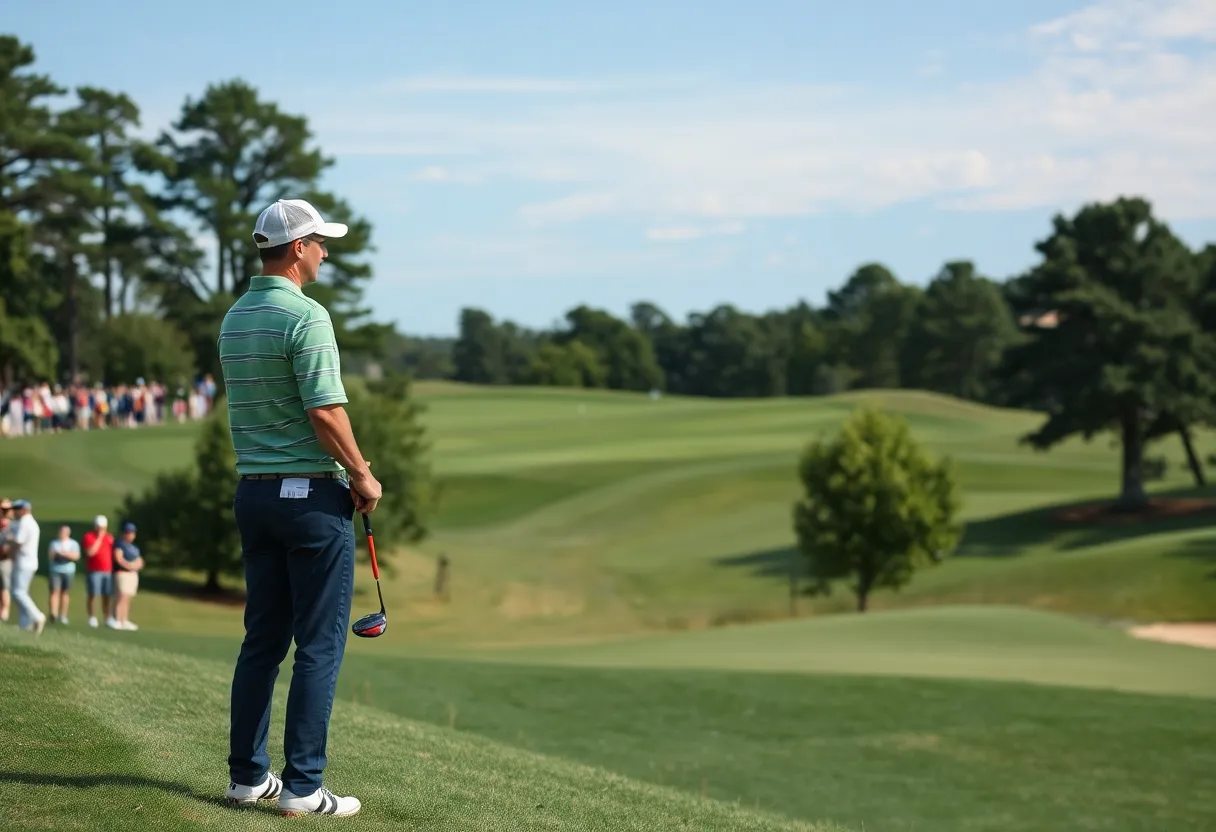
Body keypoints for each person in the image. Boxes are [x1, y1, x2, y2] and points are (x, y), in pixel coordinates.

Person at [219, 198, 382, 818]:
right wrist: (362, 474)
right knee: (318, 645)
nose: (325, 252)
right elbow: (324, 412)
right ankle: (303, 787)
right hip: (311, 500)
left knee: (262, 639)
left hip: (255, 495)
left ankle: (246, 779)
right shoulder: (307, 316)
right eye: (319, 242)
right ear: (296, 250)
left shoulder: (235, 316)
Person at [5, 499, 45, 634]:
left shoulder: (25, 522)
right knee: (21, 593)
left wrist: (9, 551)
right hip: (27, 562)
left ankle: (37, 616)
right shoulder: (28, 522)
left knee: (18, 593)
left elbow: (18, 542)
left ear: (24, 510)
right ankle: (25, 624)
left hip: (24, 562)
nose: (14, 512)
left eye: (16, 509)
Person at [82, 515, 117, 629]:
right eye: (99, 527)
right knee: (93, 594)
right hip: (94, 570)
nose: (101, 530)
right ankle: (92, 617)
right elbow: (90, 552)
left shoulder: (109, 538)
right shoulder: (89, 537)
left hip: (107, 570)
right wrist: (99, 539)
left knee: (107, 595)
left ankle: (107, 618)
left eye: (103, 528)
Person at [111, 522, 143, 630]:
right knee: (122, 596)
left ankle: (124, 620)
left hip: (132, 574)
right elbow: (118, 558)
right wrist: (129, 566)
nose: (131, 535)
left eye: (132, 533)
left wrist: (136, 565)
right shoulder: (120, 545)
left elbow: (140, 560)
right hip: (122, 573)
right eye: (129, 533)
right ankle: (117, 619)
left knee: (128, 598)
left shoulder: (134, 547)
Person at [47, 524, 80, 624]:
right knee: (54, 591)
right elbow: (51, 556)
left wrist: (66, 554)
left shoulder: (73, 544)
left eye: (64, 532)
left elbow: (76, 556)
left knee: (65, 593)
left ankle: (63, 616)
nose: (62, 534)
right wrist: (58, 555)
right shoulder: (54, 543)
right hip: (56, 570)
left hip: (68, 570)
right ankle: (53, 613)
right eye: (61, 532)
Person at [0, 498, 13, 623]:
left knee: (4, 587)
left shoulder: (12, 525)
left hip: (5, 560)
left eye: (7, 509)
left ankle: (5, 613)